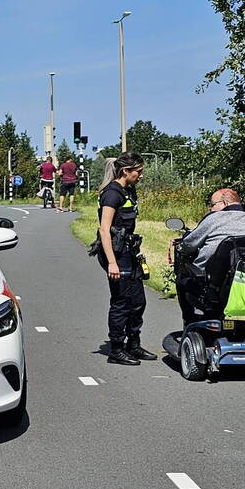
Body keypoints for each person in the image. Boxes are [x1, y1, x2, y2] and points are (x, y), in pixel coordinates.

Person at [173, 188, 245, 326]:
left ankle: (189, 322)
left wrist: (180, 246)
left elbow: (188, 244)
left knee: (182, 279)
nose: (211, 209)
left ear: (223, 203)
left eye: (213, 204)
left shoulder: (214, 219)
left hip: (214, 289)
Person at [96, 151, 156, 365]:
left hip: (129, 252)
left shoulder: (128, 191)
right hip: (116, 254)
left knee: (138, 300)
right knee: (121, 301)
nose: (141, 176)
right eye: (138, 172)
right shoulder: (112, 194)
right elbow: (104, 230)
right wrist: (112, 262)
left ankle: (134, 344)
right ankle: (117, 349)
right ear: (125, 171)